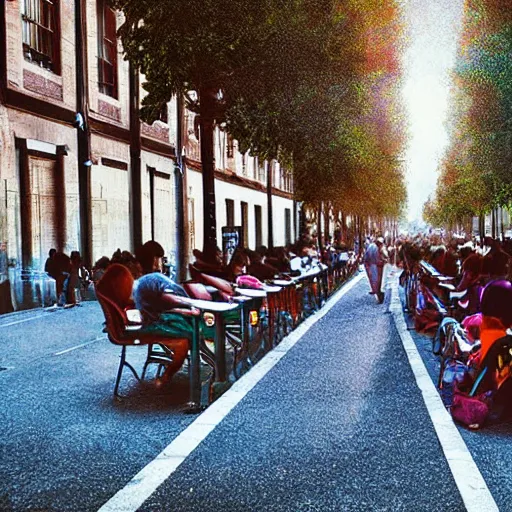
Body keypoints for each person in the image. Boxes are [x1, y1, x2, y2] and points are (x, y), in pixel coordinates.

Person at [364, 237, 387, 303]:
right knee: (379, 282)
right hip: (378, 267)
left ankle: (377, 294)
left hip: (372, 265)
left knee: (375, 281)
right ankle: (380, 297)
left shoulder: (370, 246)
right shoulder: (380, 248)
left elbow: (366, 257)